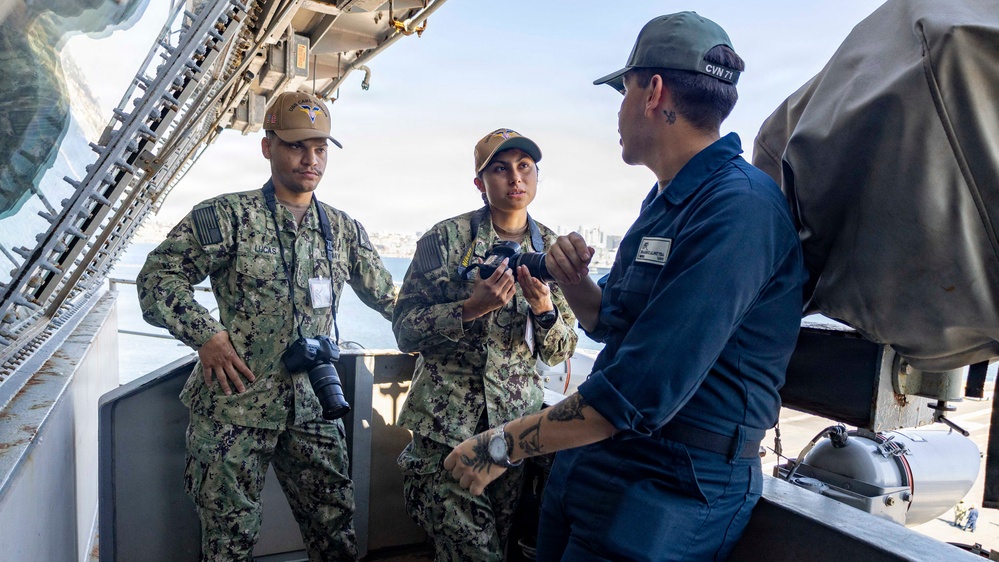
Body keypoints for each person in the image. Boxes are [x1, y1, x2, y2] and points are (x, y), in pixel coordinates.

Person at [443, 13, 807, 561]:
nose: (618, 111)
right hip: (602, 458)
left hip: (671, 485)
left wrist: (501, 445)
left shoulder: (739, 210)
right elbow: (609, 319)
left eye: (623, 91)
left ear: (652, 92)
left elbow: (639, 391)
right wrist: (573, 282)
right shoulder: (666, 201)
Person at [137, 90, 397, 561]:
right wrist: (206, 335)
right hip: (234, 406)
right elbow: (158, 278)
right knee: (228, 541)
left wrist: (467, 308)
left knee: (335, 529)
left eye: (320, 148)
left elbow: (393, 300)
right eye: (296, 146)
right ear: (267, 146)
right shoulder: (227, 216)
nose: (310, 159)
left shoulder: (343, 230)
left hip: (314, 405)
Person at [394, 128, 578, 561]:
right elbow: (404, 330)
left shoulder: (551, 250)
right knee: (475, 553)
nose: (515, 177)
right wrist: (469, 309)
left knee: (500, 546)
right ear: (480, 182)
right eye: (500, 168)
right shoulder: (444, 241)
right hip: (446, 430)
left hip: (512, 436)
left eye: (524, 166)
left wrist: (544, 310)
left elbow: (561, 349)